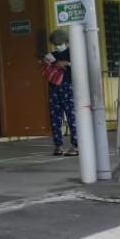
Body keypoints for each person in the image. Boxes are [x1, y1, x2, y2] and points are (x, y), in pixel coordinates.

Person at [45, 29, 79, 157]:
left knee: (72, 116)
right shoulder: (51, 55)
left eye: (60, 43)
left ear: (66, 41)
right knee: (55, 117)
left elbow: (81, 65)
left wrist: (67, 63)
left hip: (69, 86)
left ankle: (76, 145)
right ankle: (58, 145)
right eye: (56, 44)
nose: (58, 46)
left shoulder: (74, 53)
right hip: (54, 87)